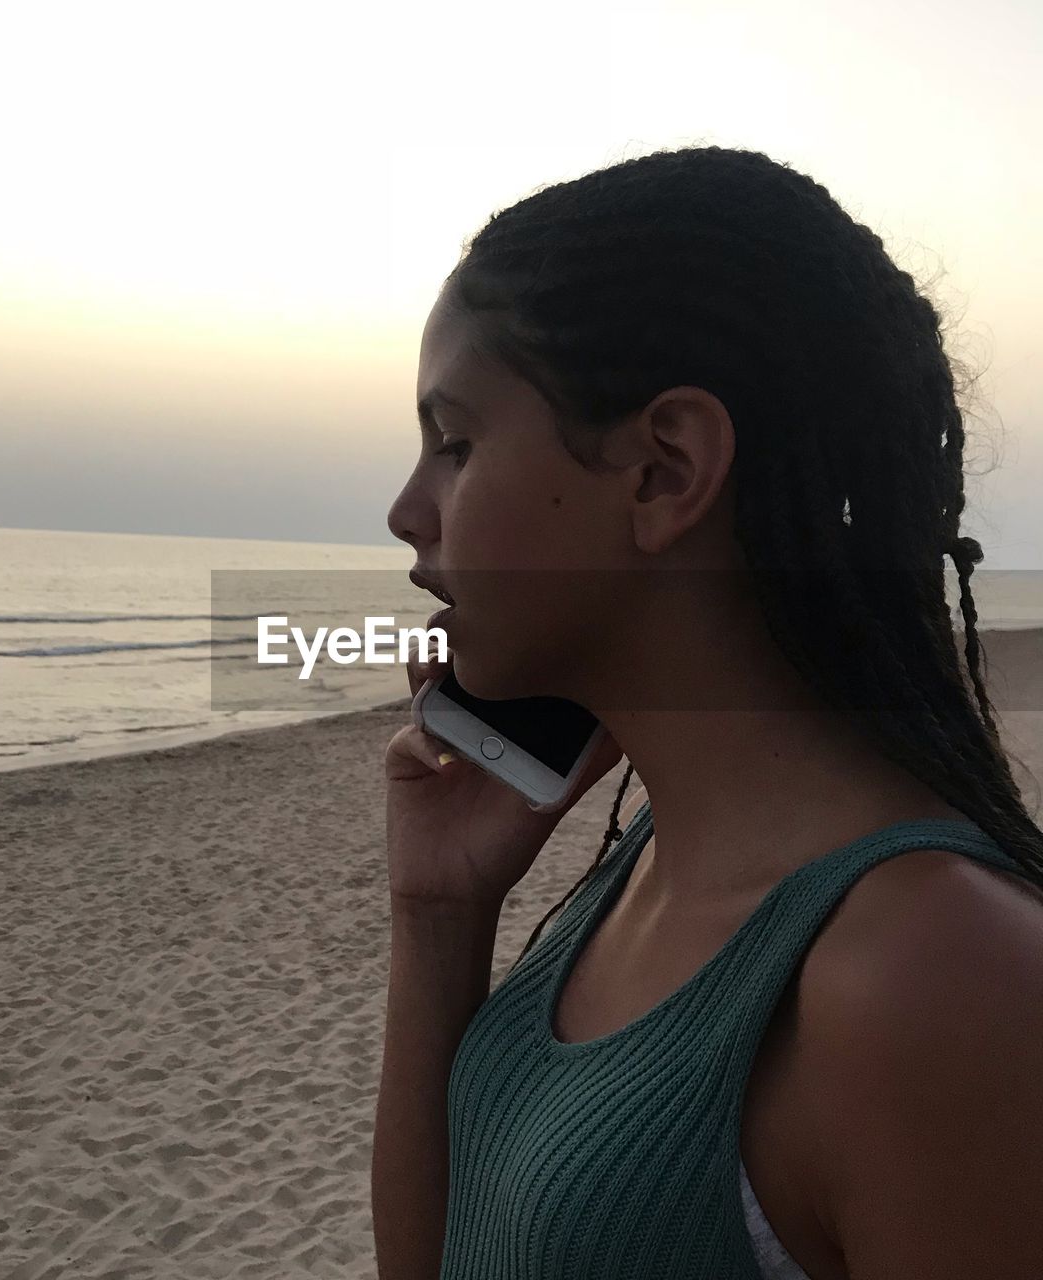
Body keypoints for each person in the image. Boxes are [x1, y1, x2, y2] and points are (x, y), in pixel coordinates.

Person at [371, 145, 1043, 1280]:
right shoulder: (646, 861)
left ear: (662, 470)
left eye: (455, 442)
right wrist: (437, 911)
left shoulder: (934, 972)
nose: (405, 511)